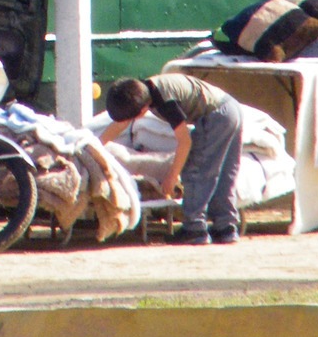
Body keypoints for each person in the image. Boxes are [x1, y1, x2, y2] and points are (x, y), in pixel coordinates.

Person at [99, 73, 244, 245]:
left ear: (143, 111)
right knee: (225, 172)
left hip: (215, 116)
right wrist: (96, 145)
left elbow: (185, 141)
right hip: (232, 109)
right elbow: (121, 123)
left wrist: (172, 176)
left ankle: (194, 228)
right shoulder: (145, 90)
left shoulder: (165, 101)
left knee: (196, 170)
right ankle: (225, 227)